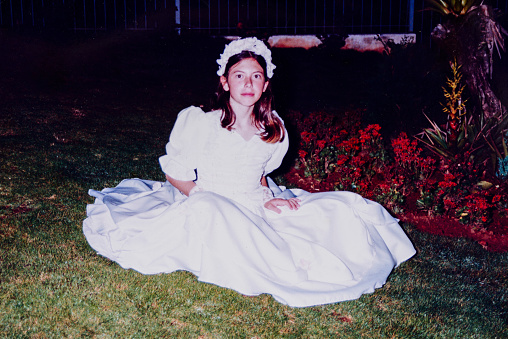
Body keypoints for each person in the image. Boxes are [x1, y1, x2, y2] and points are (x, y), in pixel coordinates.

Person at [83, 37, 416, 307]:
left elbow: (258, 173)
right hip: (209, 199)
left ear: (265, 84)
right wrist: (200, 198)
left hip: (253, 200)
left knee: (341, 208)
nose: (248, 83)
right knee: (216, 213)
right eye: (239, 75)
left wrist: (270, 196)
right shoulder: (202, 121)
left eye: (256, 76)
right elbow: (177, 174)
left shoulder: (274, 128)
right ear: (225, 82)